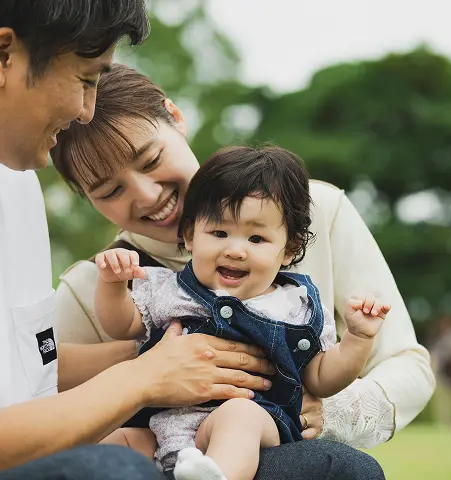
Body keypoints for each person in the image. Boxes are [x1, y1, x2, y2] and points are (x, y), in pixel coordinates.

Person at [0, 2, 279, 479]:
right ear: (3, 55)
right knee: (113, 468)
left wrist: (185, 349)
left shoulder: (13, 182)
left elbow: (30, 361)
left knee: (327, 466)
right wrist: (147, 377)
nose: (87, 111)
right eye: (87, 79)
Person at [51, 65, 436, 479]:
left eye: (151, 160)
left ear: (175, 117)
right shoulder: (93, 283)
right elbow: (44, 396)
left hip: (279, 448)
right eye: (110, 191)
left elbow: (407, 365)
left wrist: (325, 411)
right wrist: (150, 358)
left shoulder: (315, 212)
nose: (147, 195)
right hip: (160, 454)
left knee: (339, 468)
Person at [96, 145, 390, 480]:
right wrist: (112, 286)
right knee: (109, 445)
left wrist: (358, 339)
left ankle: (219, 475)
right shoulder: (168, 288)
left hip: (255, 420)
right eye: (219, 233)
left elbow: (321, 378)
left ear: (289, 249)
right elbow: (122, 325)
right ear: (191, 235)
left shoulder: (295, 305)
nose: (235, 250)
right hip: (164, 429)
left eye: (256, 238)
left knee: (237, 417)